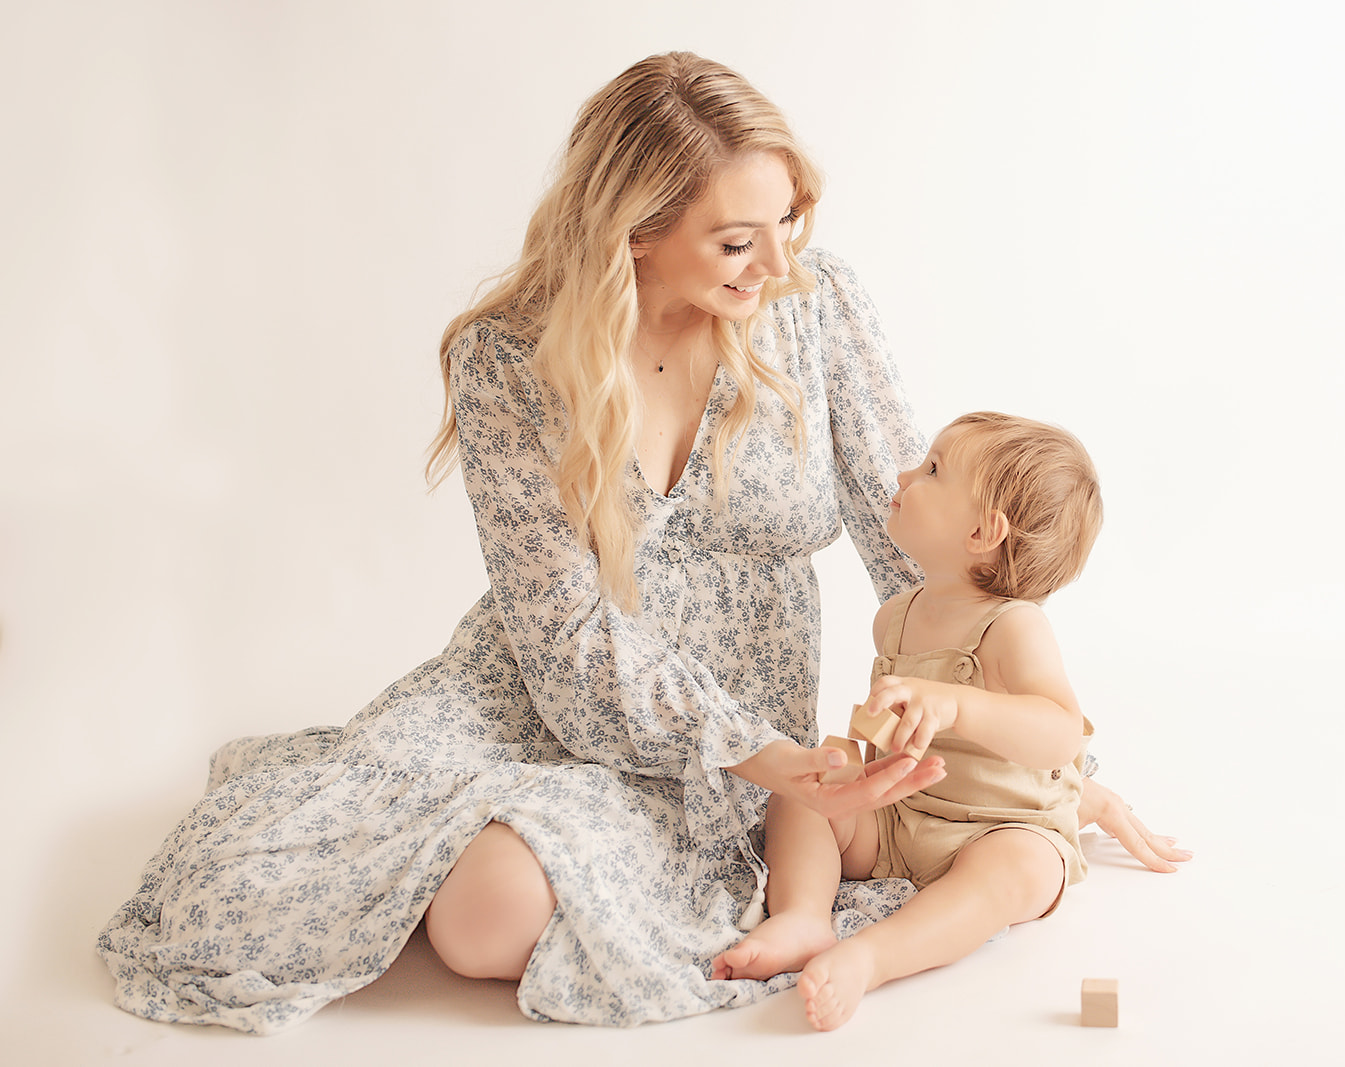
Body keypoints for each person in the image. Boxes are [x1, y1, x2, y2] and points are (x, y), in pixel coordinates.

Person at [97, 53, 1184, 1035]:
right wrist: (762, 754)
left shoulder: (814, 307)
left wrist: (1048, 771)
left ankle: (503, 850)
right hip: (547, 685)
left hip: (743, 713)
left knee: (483, 921)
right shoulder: (507, 359)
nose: (775, 264)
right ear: (634, 229)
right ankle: (443, 818)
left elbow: (925, 545)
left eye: (785, 223)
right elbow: (565, 634)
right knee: (264, 888)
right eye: (733, 238)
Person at [714, 412, 1170, 1031]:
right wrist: (865, 752)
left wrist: (959, 704)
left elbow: (1060, 730)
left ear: (983, 531)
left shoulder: (1014, 626)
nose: (905, 472)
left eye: (932, 470)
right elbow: (889, 735)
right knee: (804, 791)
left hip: (998, 827)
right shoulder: (895, 617)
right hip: (902, 816)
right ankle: (802, 915)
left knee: (1020, 871)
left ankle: (875, 956)